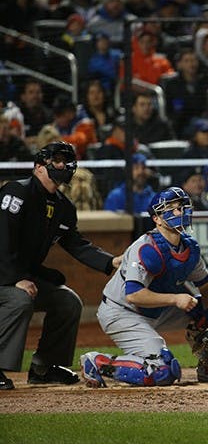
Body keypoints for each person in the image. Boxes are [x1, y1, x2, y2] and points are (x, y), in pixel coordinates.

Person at [79, 187, 208, 387]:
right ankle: (97, 362)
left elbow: (207, 287)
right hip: (122, 312)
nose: (180, 213)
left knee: (202, 312)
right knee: (162, 371)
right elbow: (133, 295)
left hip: (155, 309)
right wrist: (175, 299)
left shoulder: (190, 248)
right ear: (157, 218)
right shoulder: (147, 248)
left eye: (182, 208)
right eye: (172, 209)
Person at [0, 142, 119, 391]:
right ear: (39, 166)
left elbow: (76, 244)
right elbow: (2, 238)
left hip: (19, 276)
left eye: (68, 160)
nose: (64, 165)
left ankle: (45, 368)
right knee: (20, 299)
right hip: (5, 275)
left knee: (68, 301)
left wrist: (110, 261)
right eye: (57, 160)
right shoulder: (16, 191)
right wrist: (16, 278)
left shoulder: (64, 207)